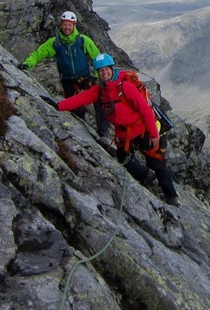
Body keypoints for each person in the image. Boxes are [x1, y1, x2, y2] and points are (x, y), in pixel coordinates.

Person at [43, 53, 180, 207]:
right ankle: (145, 175)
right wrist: (58, 106)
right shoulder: (100, 90)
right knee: (122, 159)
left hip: (142, 130)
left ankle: (172, 197)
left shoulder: (125, 87)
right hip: (123, 134)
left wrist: (154, 134)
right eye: (101, 71)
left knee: (156, 162)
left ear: (111, 68)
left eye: (106, 69)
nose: (104, 73)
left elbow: (145, 110)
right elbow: (81, 99)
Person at [18, 11, 102, 125]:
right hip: (68, 82)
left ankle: (102, 129)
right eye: (65, 24)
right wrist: (28, 63)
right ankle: (84, 128)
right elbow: (39, 53)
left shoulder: (83, 40)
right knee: (76, 109)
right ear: (61, 25)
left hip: (85, 78)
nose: (67, 27)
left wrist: (97, 77)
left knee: (99, 98)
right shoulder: (55, 42)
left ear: (74, 25)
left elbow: (96, 57)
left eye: (69, 25)